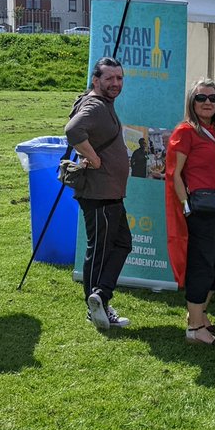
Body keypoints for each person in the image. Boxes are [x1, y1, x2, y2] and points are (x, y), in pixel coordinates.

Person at [64, 56, 132, 331]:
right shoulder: (94, 104)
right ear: (96, 80)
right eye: (109, 79)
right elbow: (72, 130)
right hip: (99, 192)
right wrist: (92, 158)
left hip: (109, 191)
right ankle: (96, 307)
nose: (115, 83)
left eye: (119, 78)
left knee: (122, 243)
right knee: (100, 249)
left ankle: (100, 295)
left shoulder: (102, 103)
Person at [165, 79, 215, 346]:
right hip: (199, 209)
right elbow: (174, 174)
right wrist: (187, 206)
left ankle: (200, 314)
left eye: (212, 98)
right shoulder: (185, 132)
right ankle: (194, 327)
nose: (207, 103)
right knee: (202, 265)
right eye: (201, 98)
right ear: (191, 103)